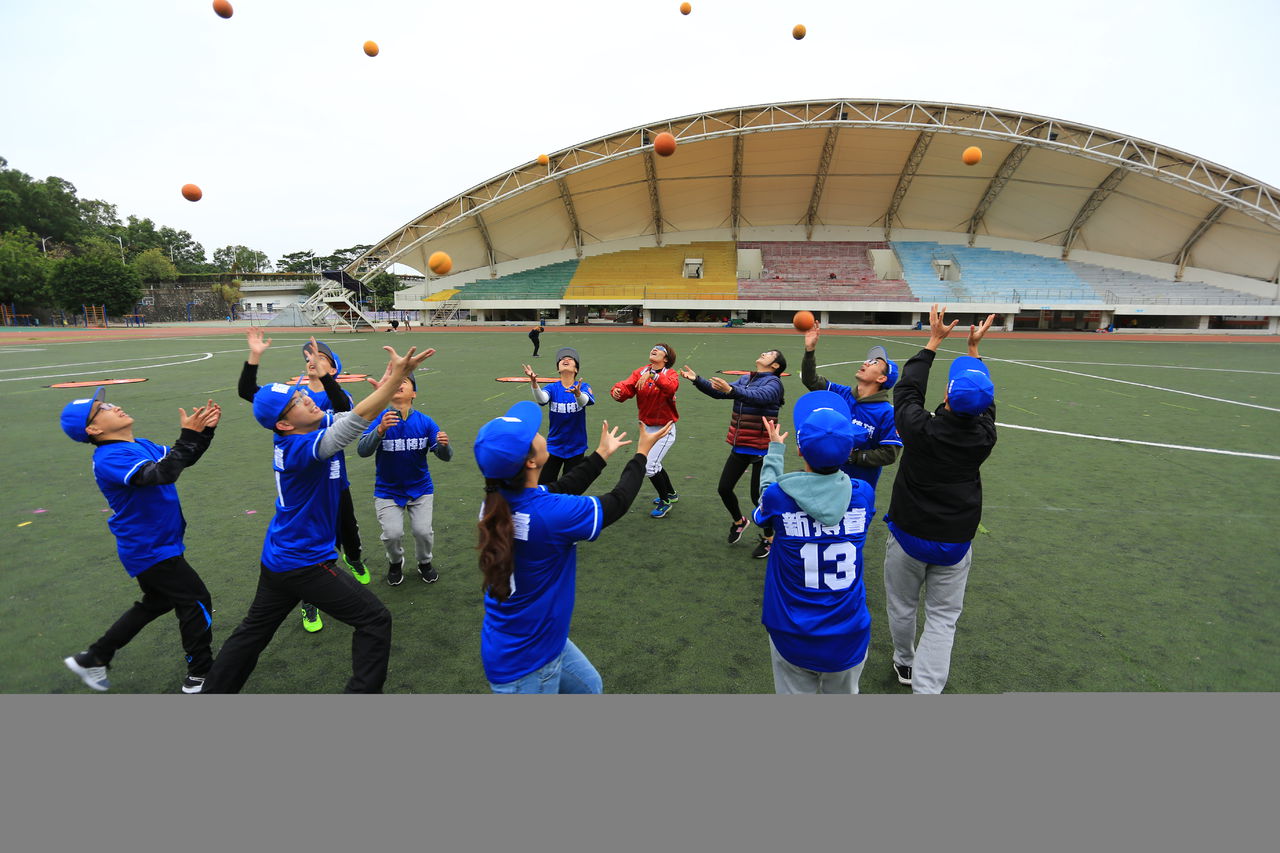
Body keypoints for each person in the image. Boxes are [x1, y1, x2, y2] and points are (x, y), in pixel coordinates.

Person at [202, 344, 435, 694]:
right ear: (283, 423)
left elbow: (349, 417)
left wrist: (387, 388)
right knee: (374, 619)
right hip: (303, 562)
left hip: (279, 557)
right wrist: (396, 381)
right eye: (295, 403)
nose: (306, 399)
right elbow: (352, 425)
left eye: (299, 394)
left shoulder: (308, 427)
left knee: (252, 634)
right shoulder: (298, 448)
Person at [475, 401, 673, 693]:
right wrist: (642, 453)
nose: (541, 433)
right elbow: (617, 502)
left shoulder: (497, 501)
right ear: (530, 462)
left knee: (590, 687)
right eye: (534, 433)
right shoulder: (548, 515)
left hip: (533, 636)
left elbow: (560, 487)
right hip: (527, 665)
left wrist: (601, 454)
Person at [59, 388, 221, 693]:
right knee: (196, 599)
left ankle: (94, 656)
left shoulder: (137, 444)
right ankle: (200, 675)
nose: (114, 406)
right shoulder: (110, 456)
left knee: (157, 602)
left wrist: (203, 432)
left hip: (156, 543)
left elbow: (178, 460)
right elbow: (161, 474)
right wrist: (187, 436)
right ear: (93, 429)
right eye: (102, 408)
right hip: (149, 548)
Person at [882, 305, 997, 694]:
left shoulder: (919, 429)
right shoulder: (984, 435)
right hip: (954, 539)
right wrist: (973, 349)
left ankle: (904, 662)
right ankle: (927, 691)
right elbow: (982, 397)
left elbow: (907, 389)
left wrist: (934, 341)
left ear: (947, 395)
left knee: (902, 605)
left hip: (909, 532)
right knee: (943, 618)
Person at [238, 329, 368, 635]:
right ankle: (310, 601)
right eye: (310, 356)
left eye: (322, 358)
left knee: (347, 527)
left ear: (333, 368)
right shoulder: (292, 396)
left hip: (335, 479)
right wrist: (255, 355)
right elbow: (249, 392)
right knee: (320, 543)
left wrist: (326, 379)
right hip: (308, 482)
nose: (313, 361)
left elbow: (347, 412)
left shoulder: (330, 393)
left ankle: (355, 558)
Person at [754, 391, 876, 693]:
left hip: (791, 629)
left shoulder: (779, 497)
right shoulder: (862, 494)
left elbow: (764, 503)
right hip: (849, 631)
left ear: (800, 450)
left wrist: (774, 450)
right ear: (849, 450)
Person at [680, 349, 787, 558]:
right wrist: (697, 380)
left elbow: (757, 397)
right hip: (741, 444)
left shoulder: (774, 383)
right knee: (724, 488)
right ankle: (739, 522)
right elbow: (720, 392)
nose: (765, 353)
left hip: (762, 448)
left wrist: (731, 390)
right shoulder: (746, 378)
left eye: (770, 354)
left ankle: (769, 538)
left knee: (760, 498)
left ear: (775, 365)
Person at [355, 372, 451, 586]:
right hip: (387, 491)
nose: (398, 385)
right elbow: (362, 450)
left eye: (404, 382)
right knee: (392, 534)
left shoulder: (425, 422)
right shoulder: (380, 419)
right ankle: (395, 562)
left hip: (420, 489)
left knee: (423, 531)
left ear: (413, 393)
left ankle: (424, 562)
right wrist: (379, 430)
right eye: (394, 383)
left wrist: (444, 445)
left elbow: (445, 456)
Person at [800, 324, 902, 491]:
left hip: (856, 487)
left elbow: (889, 454)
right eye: (868, 360)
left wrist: (852, 457)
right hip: (824, 480)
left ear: (882, 378)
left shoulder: (887, 413)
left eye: (874, 363)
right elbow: (810, 380)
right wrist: (809, 350)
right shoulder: (841, 393)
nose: (867, 363)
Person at [609, 343, 680, 517]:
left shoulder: (670, 374)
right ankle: (671, 493)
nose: (654, 349)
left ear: (666, 358)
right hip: (646, 430)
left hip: (664, 429)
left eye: (660, 349)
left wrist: (653, 375)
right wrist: (617, 391)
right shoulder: (640, 372)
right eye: (653, 347)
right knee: (655, 464)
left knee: (649, 466)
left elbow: (670, 388)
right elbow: (627, 386)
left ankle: (665, 500)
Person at [523, 346, 594, 484]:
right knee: (545, 485)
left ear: (576, 369)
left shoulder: (583, 386)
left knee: (571, 488)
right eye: (562, 359)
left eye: (570, 359)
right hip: (554, 447)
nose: (565, 359)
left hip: (576, 448)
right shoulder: (552, 388)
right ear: (558, 369)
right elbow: (542, 399)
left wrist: (578, 394)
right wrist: (534, 383)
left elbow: (584, 401)